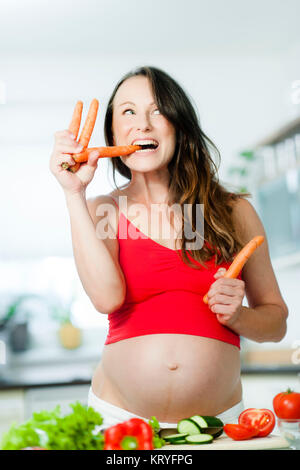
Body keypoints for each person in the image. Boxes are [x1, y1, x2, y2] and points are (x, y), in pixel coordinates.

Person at [49, 66, 288, 434]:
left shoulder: (228, 211)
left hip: (217, 426)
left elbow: (276, 323)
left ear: (179, 125)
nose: (142, 124)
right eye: (128, 111)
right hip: (120, 420)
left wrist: (237, 315)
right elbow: (107, 299)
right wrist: (73, 193)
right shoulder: (103, 210)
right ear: (113, 131)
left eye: (157, 110)